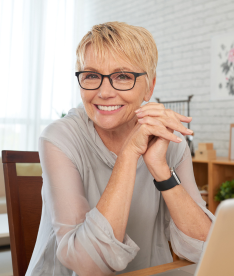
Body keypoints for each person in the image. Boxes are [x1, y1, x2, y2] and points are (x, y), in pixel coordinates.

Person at [26, 22, 215, 276]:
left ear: (150, 86)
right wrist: (128, 154)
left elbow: (206, 249)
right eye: (91, 75)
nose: (104, 92)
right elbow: (87, 265)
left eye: (123, 76)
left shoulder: (167, 141)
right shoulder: (59, 137)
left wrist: (161, 170)